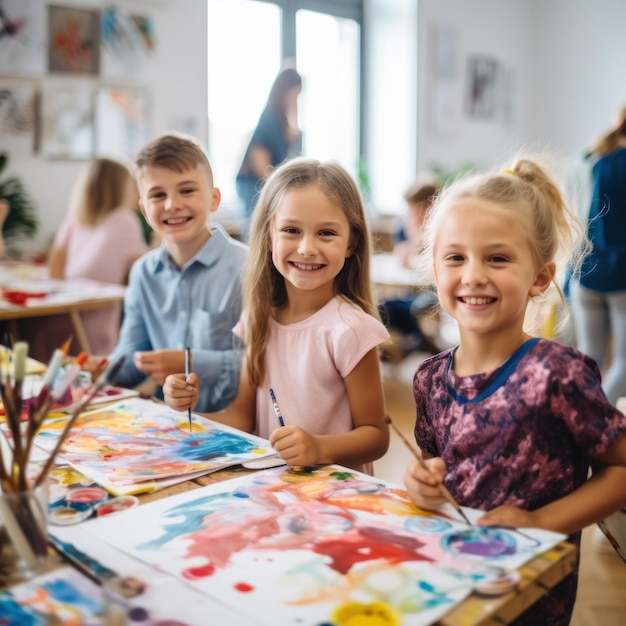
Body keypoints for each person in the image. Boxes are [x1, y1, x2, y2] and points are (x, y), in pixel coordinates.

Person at [401, 157, 626, 625]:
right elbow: (436, 468)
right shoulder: (428, 379)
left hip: (530, 602)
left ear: (541, 277)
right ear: (435, 270)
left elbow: (621, 469)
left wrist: (541, 523)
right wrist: (422, 483)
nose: (474, 274)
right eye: (456, 257)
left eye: (497, 258)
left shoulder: (556, 373)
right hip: (450, 584)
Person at [164, 157, 390, 474]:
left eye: (326, 233)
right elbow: (242, 419)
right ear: (270, 237)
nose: (307, 248)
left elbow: (377, 437)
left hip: (334, 498)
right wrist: (185, 414)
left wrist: (318, 447)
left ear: (351, 243)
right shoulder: (259, 319)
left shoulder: (350, 330)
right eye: (291, 230)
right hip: (270, 490)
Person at [105, 132, 248, 413]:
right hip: (172, 430)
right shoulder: (143, 273)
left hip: (240, 429)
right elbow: (133, 358)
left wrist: (189, 360)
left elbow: (265, 362)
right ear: (145, 210)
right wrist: (92, 373)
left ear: (214, 199)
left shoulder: (247, 268)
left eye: (187, 190)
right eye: (158, 195)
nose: (172, 204)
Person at [42, 157, 148, 357]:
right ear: (121, 188)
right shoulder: (124, 220)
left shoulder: (75, 220)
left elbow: (54, 271)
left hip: (57, 323)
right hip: (93, 330)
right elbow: (143, 275)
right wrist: (160, 241)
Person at [568, 105, 626, 405]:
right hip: (621, 275)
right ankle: (593, 422)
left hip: (585, 269)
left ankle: (576, 420)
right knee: (624, 365)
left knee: (588, 357)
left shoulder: (591, 158)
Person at [235, 68, 302, 240]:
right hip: (253, 185)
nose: (297, 99)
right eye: (295, 93)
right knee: (255, 233)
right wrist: (279, 185)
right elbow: (260, 161)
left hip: (260, 184)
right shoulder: (269, 118)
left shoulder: (281, 122)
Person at [378, 180, 440, 358]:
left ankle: (419, 343)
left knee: (412, 308)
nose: (413, 217)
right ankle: (411, 343)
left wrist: (418, 243)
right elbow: (402, 255)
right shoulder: (404, 226)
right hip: (410, 290)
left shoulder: (442, 230)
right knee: (384, 306)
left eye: (418, 212)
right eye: (411, 211)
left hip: (431, 291)